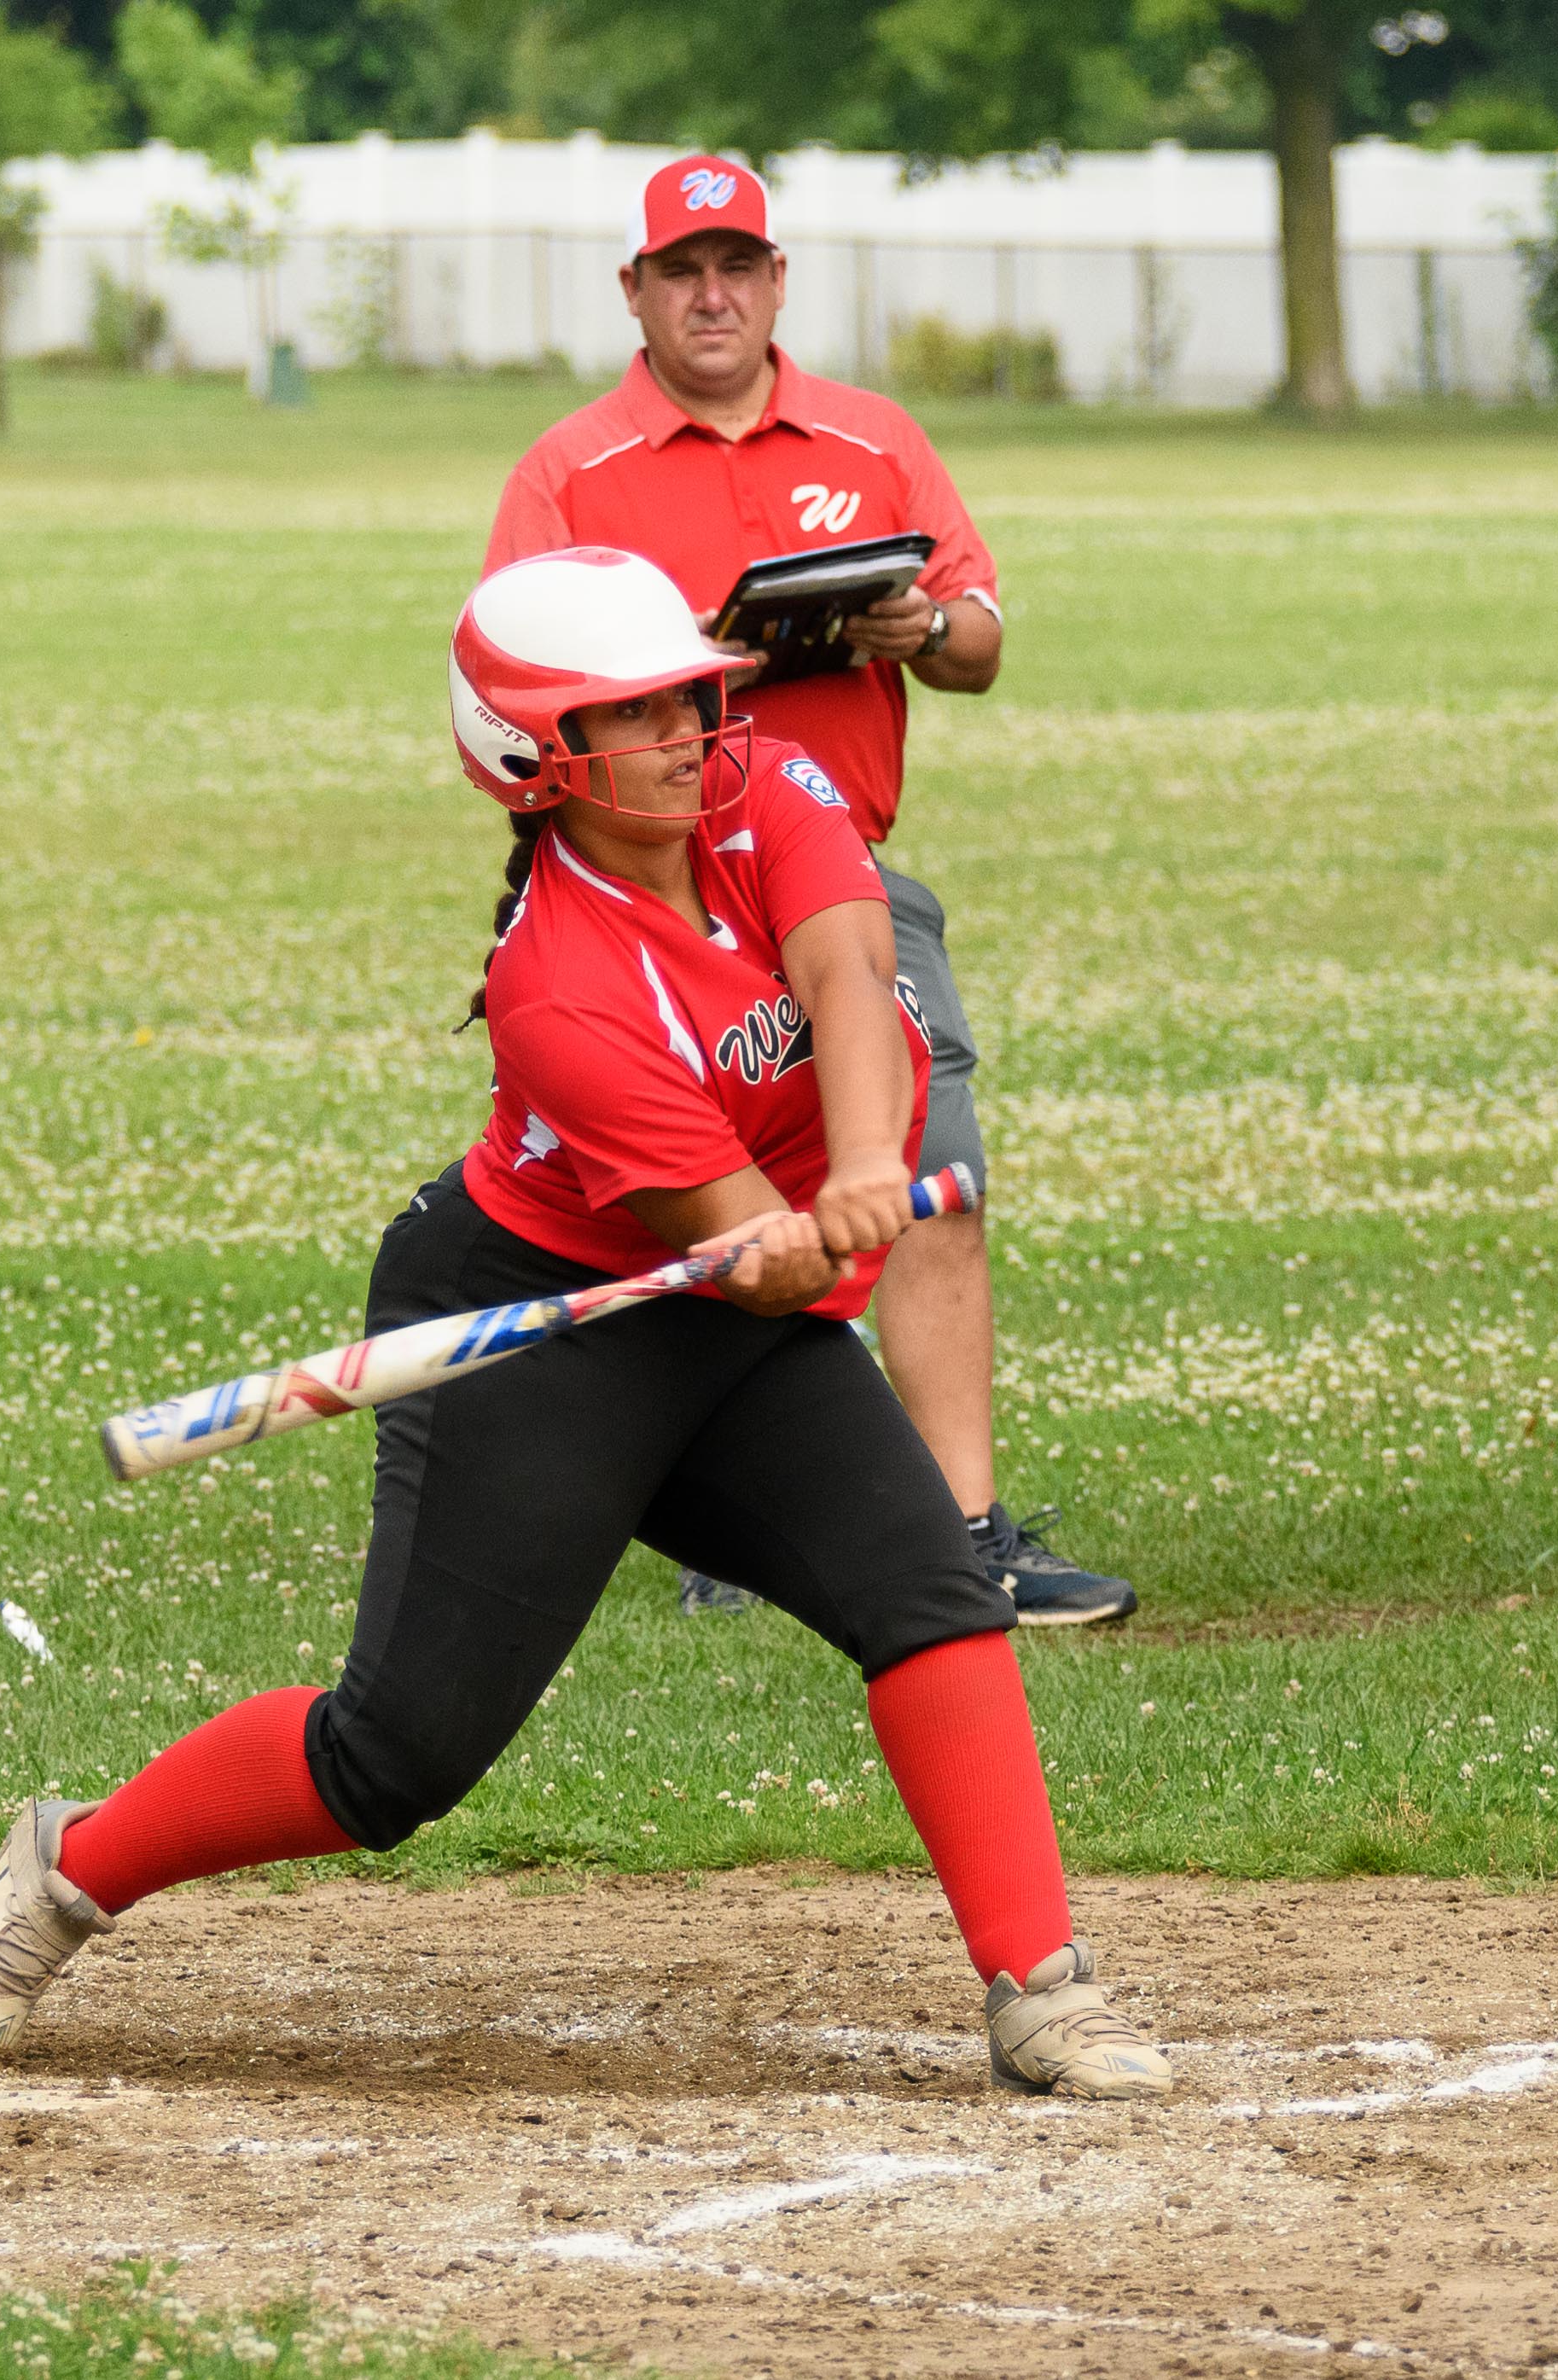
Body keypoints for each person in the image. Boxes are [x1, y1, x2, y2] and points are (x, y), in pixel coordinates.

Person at [0, 548, 1171, 2102]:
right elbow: (748, 1261)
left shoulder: (765, 781)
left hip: (724, 1319)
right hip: (531, 1325)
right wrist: (792, 1240)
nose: (673, 731)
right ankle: (64, 1870)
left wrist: (861, 1165)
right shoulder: (559, 985)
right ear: (532, 761)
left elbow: (851, 968)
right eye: (623, 712)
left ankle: (1038, 1989)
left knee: (926, 1586)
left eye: (680, 695)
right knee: (397, 1757)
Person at [483, 154, 1133, 1627]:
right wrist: (699, 662)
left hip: (843, 870)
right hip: (648, 881)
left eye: (739, 267)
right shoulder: (571, 471)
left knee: (922, 1172)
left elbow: (980, 638)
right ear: (635, 293)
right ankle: (735, 1520)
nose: (712, 295)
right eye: (681, 270)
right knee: (696, 1204)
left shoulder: (870, 434)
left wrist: (911, 620)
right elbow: (514, 676)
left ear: (777, 282)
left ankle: (964, 1529)